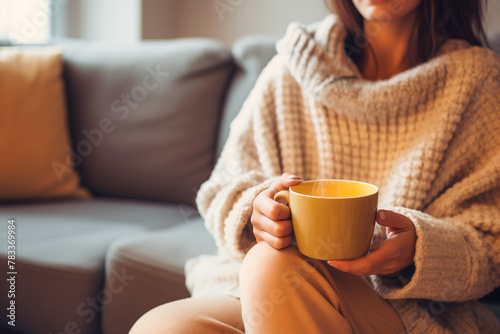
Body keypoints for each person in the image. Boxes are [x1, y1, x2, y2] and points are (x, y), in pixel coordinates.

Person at [130, 0, 500, 332]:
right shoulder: (294, 65)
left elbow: (490, 245)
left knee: (272, 267)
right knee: (162, 327)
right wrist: (254, 210)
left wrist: (420, 251)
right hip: (262, 291)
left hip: (403, 309)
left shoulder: (477, 81)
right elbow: (222, 186)